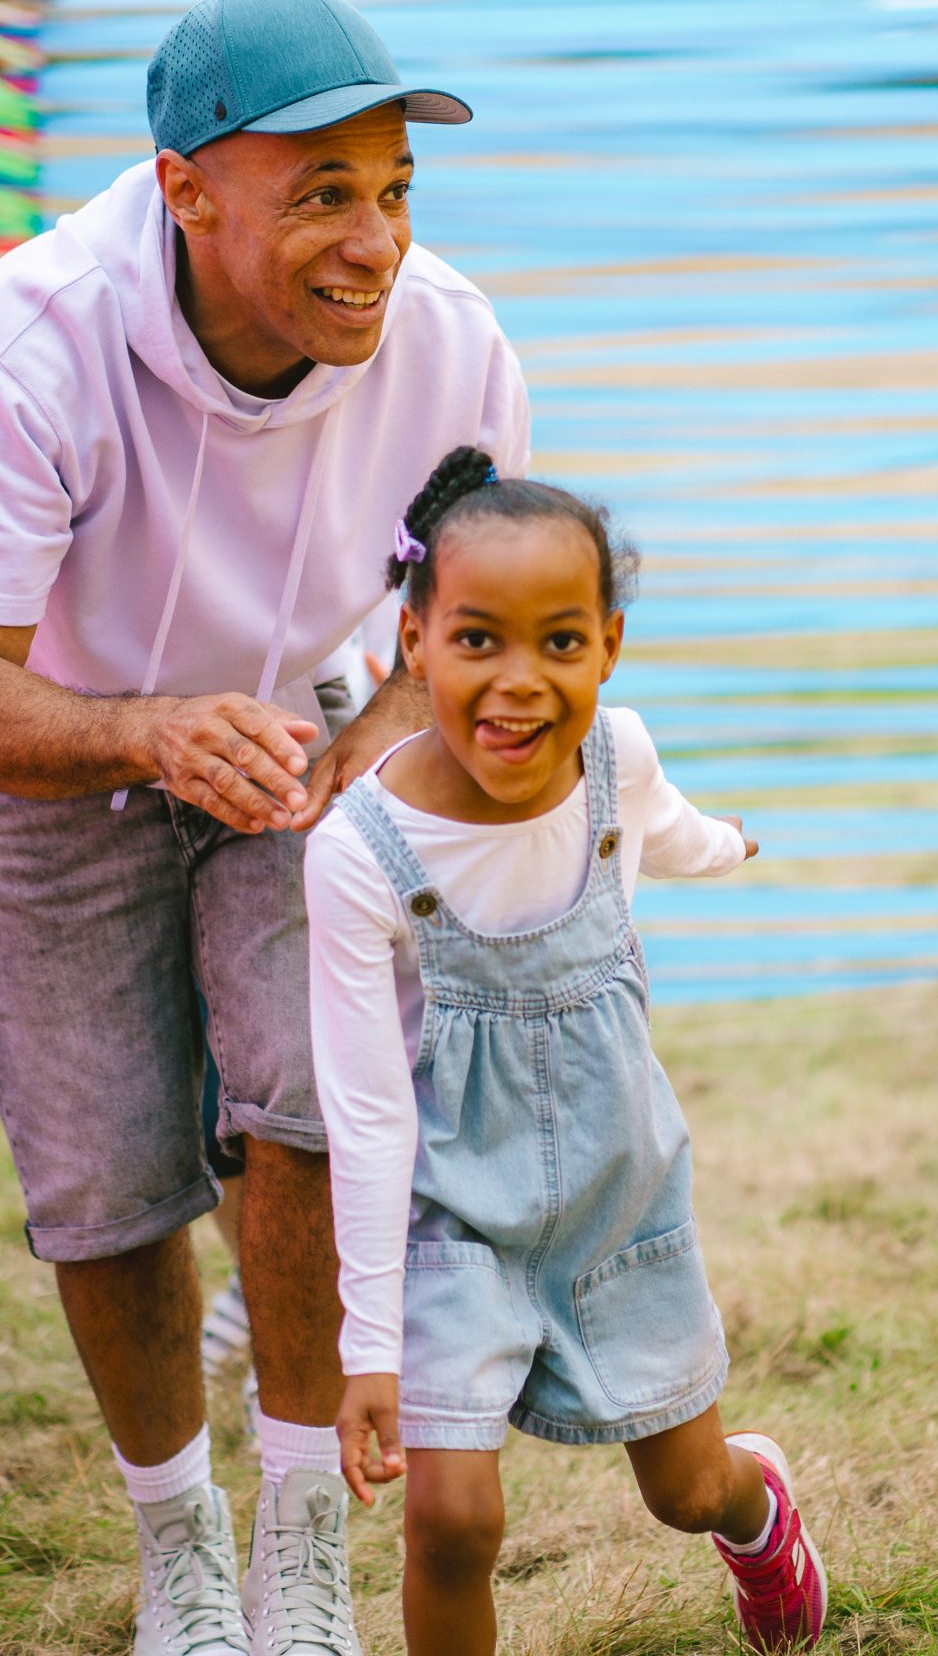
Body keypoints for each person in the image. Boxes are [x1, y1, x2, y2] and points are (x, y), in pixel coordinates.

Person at [0, 0, 526, 1656]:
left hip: (291, 728)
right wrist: (152, 733)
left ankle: (300, 1536)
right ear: (184, 188)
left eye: (395, 189)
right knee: (100, 1179)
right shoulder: (29, 343)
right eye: (321, 192)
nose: (374, 240)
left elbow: (451, 627)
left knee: (316, 1102)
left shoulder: (452, 344)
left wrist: (370, 742)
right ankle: (179, 1542)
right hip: (52, 752)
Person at [314, 449, 830, 1655]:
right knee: (450, 1519)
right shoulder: (357, 853)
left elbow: (677, 831)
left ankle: (755, 1515)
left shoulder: (619, 761)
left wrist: (731, 847)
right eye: (478, 639)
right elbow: (371, 1111)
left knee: (682, 1492)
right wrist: (370, 1347)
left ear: (606, 647)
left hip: (620, 1199)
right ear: (414, 642)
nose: (518, 683)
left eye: (560, 643)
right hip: (456, 1220)